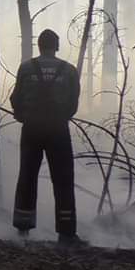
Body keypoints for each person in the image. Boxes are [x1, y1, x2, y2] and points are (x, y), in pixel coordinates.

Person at [10, 29, 85, 246]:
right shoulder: (69, 70)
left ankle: (23, 230)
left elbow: (15, 98)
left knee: (27, 176)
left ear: (39, 45)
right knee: (63, 180)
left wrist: (23, 116)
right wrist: (61, 117)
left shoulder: (26, 68)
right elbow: (73, 103)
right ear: (57, 46)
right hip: (58, 130)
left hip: (31, 129)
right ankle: (66, 233)